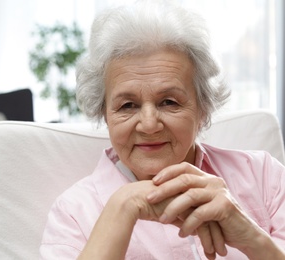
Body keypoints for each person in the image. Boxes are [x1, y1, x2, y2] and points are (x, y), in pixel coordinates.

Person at [39, 0, 285, 259]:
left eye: (169, 102)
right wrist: (123, 207)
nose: (149, 125)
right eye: (127, 105)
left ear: (203, 109)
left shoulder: (264, 177)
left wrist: (253, 238)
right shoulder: (73, 213)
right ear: (104, 114)